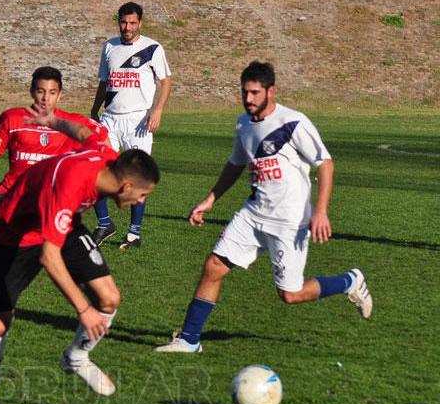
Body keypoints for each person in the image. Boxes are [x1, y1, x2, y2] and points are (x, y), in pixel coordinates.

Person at [155, 61, 373, 354]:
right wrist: (211, 199)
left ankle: (349, 281)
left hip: (289, 221)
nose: (248, 99)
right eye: (245, 92)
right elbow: (235, 164)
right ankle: (189, 339)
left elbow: (325, 164)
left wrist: (320, 212)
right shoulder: (243, 124)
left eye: (255, 93)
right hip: (253, 213)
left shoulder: (293, 122)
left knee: (290, 295)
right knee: (214, 266)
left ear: (271, 91)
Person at [0, 106, 160, 397]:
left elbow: (84, 132)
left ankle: (75, 357)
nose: (140, 201)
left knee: (110, 298)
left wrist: (53, 121)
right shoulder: (72, 183)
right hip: (15, 233)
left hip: (63, 224)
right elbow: (49, 257)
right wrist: (84, 309)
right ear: (126, 186)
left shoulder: (108, 157)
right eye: (142, 195)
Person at [0, 66, 109, 251]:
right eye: (40, 91)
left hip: (45, 205)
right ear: (31, 91)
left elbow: (104, 142)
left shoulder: (72, 123)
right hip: (6, 196)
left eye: (52, 93)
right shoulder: (13, 118)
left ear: (59, 95)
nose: (45, 98)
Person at [90, 1, 171, 249]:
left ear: (140, 23)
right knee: (95, 171)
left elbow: (166, 82)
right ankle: (104, 223)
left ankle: (134, 234)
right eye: (123, 22)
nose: (127, 27)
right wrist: (95, 110)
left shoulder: (152, 49)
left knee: (138, 178)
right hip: (110, 119)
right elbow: (104, 83)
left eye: (132, 23)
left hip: (139, 121)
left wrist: (157, 110)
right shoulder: (109, 47)